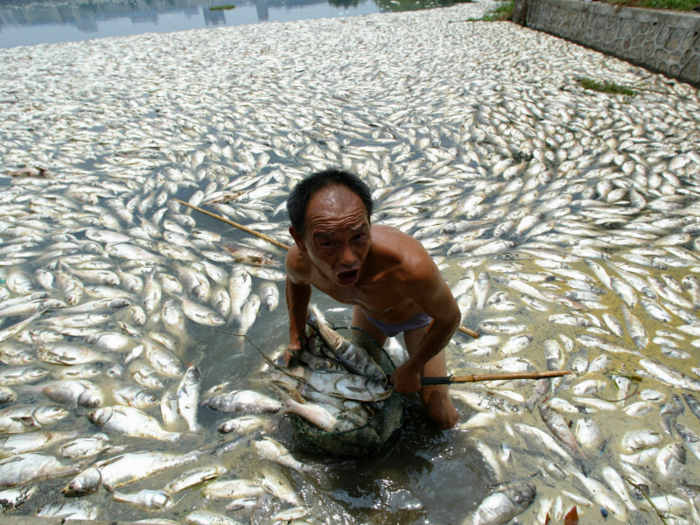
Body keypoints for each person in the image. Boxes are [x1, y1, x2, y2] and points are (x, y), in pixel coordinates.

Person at [284, 168, 460, 429]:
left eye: (358, 237)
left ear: (369, 222)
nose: (348, 259)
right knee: (361, 387)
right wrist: (295, 336)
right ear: (299, 238)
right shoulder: (299, 263)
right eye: (328, 243)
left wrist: (412, 367)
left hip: (416, 319)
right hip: (369, 314)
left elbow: (450, 318)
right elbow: (296, 285)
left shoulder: (409, 268)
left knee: (438, 414)